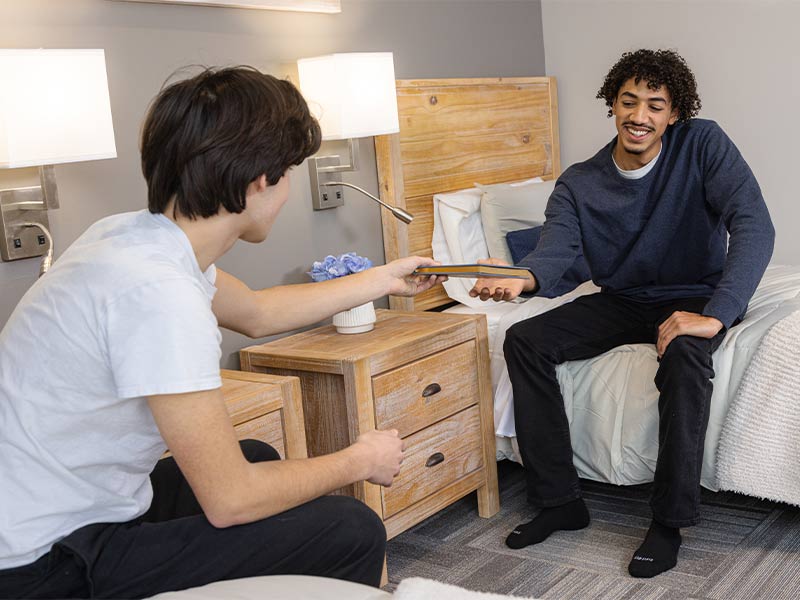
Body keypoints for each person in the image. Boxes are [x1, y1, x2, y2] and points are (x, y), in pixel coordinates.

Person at [0, 66, 445, 599]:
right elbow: (231, 500)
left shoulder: (131, 238)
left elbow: (256, 312)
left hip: (52, 506)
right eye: (289, 173)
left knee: (255, 455)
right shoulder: (159, 294)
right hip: (39, 563)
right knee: (350, 529)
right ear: (260, 180)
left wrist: (386, 278)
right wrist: (361, 459)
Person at [469, 49, 774, 578]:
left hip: (696, 294)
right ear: (612, 104)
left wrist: (717, 314)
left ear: (674, 114)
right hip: (625, 297)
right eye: (629, 101)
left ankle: (669, 521)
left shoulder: (703, 144)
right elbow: (556, 253)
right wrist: (522, 277)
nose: (640, 116)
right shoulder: (579, 182)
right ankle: (559, 501)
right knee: (524, 339)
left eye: (655, 105)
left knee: (685, 357)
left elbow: (754, 224)